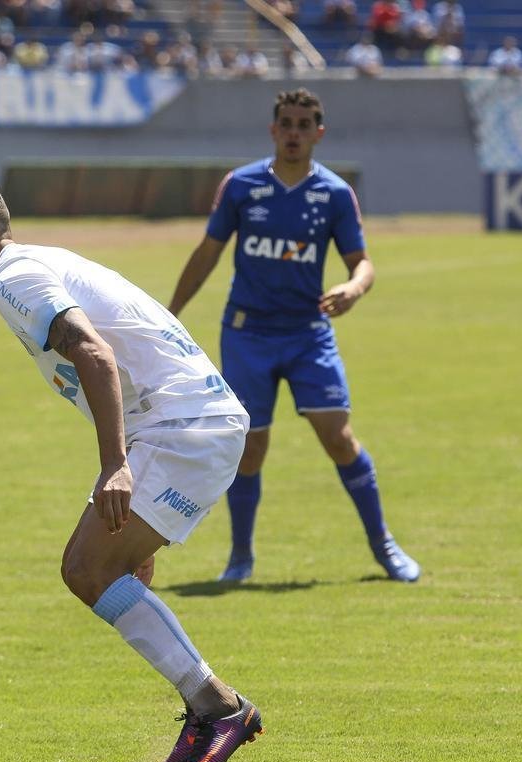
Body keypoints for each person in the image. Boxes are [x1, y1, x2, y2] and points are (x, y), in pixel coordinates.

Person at [0, 179, 263, 762]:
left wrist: (115, 466)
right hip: (193, 420)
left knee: (86, 570)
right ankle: (205, 709)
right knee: (109, 571)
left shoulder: (12, 278)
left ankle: (220, 707)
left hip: (182, 425)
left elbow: (94, 356)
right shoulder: (37, 262)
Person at [168, 88, 420, 584]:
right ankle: (240, 559)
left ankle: (384, 545)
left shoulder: (334, 194)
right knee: (251, 448)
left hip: (308, 335)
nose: (294, 133)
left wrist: (353, 288)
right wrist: (171, 313)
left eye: (305, 125)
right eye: (287, 123)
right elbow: (208, 252)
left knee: (338, 437)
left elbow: (362, 262)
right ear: (273, 130)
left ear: (319, 133)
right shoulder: (241, 185)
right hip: (247, 335)